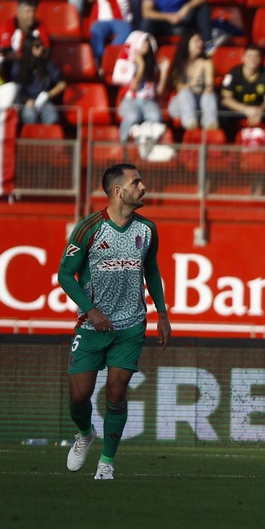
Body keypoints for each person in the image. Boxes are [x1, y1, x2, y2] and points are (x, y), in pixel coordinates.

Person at [58, 164, 171, 483]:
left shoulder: (147, 230)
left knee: (116, 390)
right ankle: (85, 434)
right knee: (79, 397)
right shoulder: (89, 228)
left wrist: (162, 313)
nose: (143, 186)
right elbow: (65, 274)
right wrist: (90, 310)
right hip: (91, 327)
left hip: (131, 326)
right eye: (136, 182)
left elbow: (151, 270)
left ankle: (106, 463)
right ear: (118, 191)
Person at [220, 44, 265, 142]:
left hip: (259, 110)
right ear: (243, 58)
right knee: (222, 111)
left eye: (256, 56)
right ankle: (225, 146)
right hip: (239, 109)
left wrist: (260, 109)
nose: (253, 59)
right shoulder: (234, 73)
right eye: (249, 56)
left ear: (261, 59)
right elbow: (225, 99)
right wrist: (245, 109)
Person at [112, 34, 163, 141]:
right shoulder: (128, 63)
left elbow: (158, 91)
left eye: (148, 42)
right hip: (130, 100)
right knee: (133, 117)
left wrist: (165, 72)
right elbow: (134, 87)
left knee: (156, 117)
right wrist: (140, 66)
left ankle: (146, 146)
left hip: (148, 101)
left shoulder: (152, 65)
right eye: (144, 42)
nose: (147, 45)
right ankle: (123, 144)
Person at [165, 32, 219, 132]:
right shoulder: (180, 63)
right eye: (196, 41)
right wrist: (191, 85)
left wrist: (209, 86)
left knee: (209, 94)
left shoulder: (206, 62)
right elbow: (179, 87)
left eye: (201, 40)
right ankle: (190, 124)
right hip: (182, 104)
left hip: (201, 102)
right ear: (187, 44)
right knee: (185, 93)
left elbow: (209, 82)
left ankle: (210, 124)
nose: (200, 43)